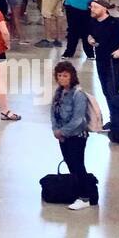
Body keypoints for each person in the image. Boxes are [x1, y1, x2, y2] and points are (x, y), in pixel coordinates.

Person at [87, 0, 119, 136]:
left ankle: (117, 119)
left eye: (95, 7)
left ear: (104, 8)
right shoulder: (93, 22)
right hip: (101, 60)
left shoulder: (115, 22)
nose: (92, 9)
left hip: (114, 62)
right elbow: (90, 35)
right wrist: (91, 39)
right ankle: (113, 118)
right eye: (91, 7)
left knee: (112, 91)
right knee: (105, 90)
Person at [50, 60, 93, 210]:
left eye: (65, 76)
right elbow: (53, 112)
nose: (62, 78)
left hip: (76, 137)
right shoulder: (58, 92)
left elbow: (78, 119)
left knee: (78, 165)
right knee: (70, 164)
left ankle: (85, 196)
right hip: (62, 136)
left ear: (72, 76)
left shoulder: (78, 95)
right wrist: (56, 130)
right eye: (59, 75)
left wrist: (62, 132)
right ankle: (79, 190)